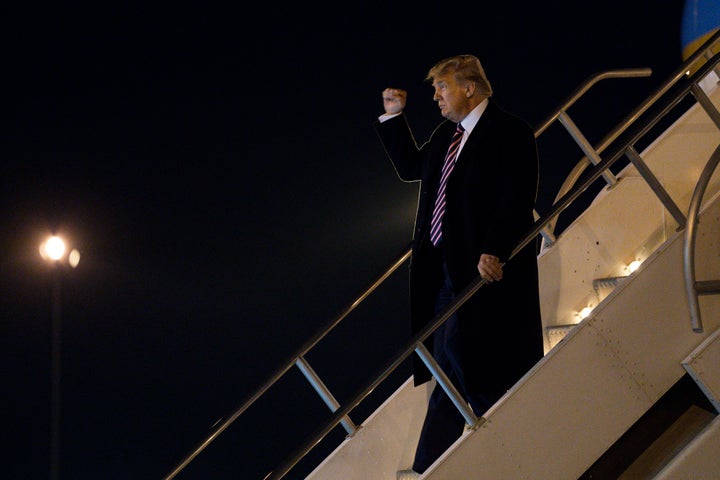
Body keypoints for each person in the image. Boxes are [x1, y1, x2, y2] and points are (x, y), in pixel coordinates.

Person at [373, 54, 544, 478]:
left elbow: (516, 195)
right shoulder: (445, 137)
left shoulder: (510, 132)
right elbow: (413, 168)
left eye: (442, 87)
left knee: (466, 357)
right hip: (444, 272)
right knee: (449, 363)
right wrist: (394, 118)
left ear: (469, 88)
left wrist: (495, 249)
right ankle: (430, 465)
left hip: (482, 270)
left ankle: (513, 436)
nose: (435, 96)